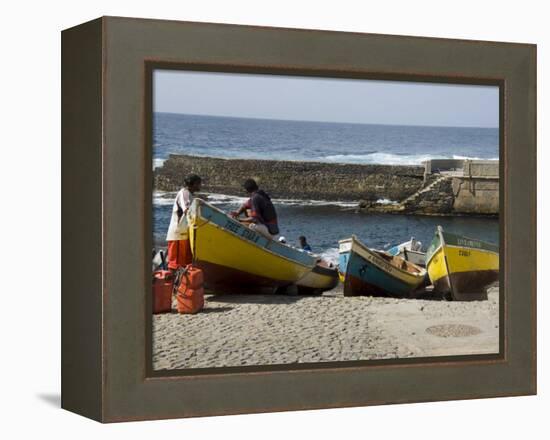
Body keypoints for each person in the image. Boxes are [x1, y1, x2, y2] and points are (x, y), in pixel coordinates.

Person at [165, 174, 202, 270]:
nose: (200, 186)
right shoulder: (185, 193)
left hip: (183, 233)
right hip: (178, 234)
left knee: (183, 264)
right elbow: (188, 210)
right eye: (198, 184)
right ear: (193, 184)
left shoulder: (188, 194)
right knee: (176, 264)